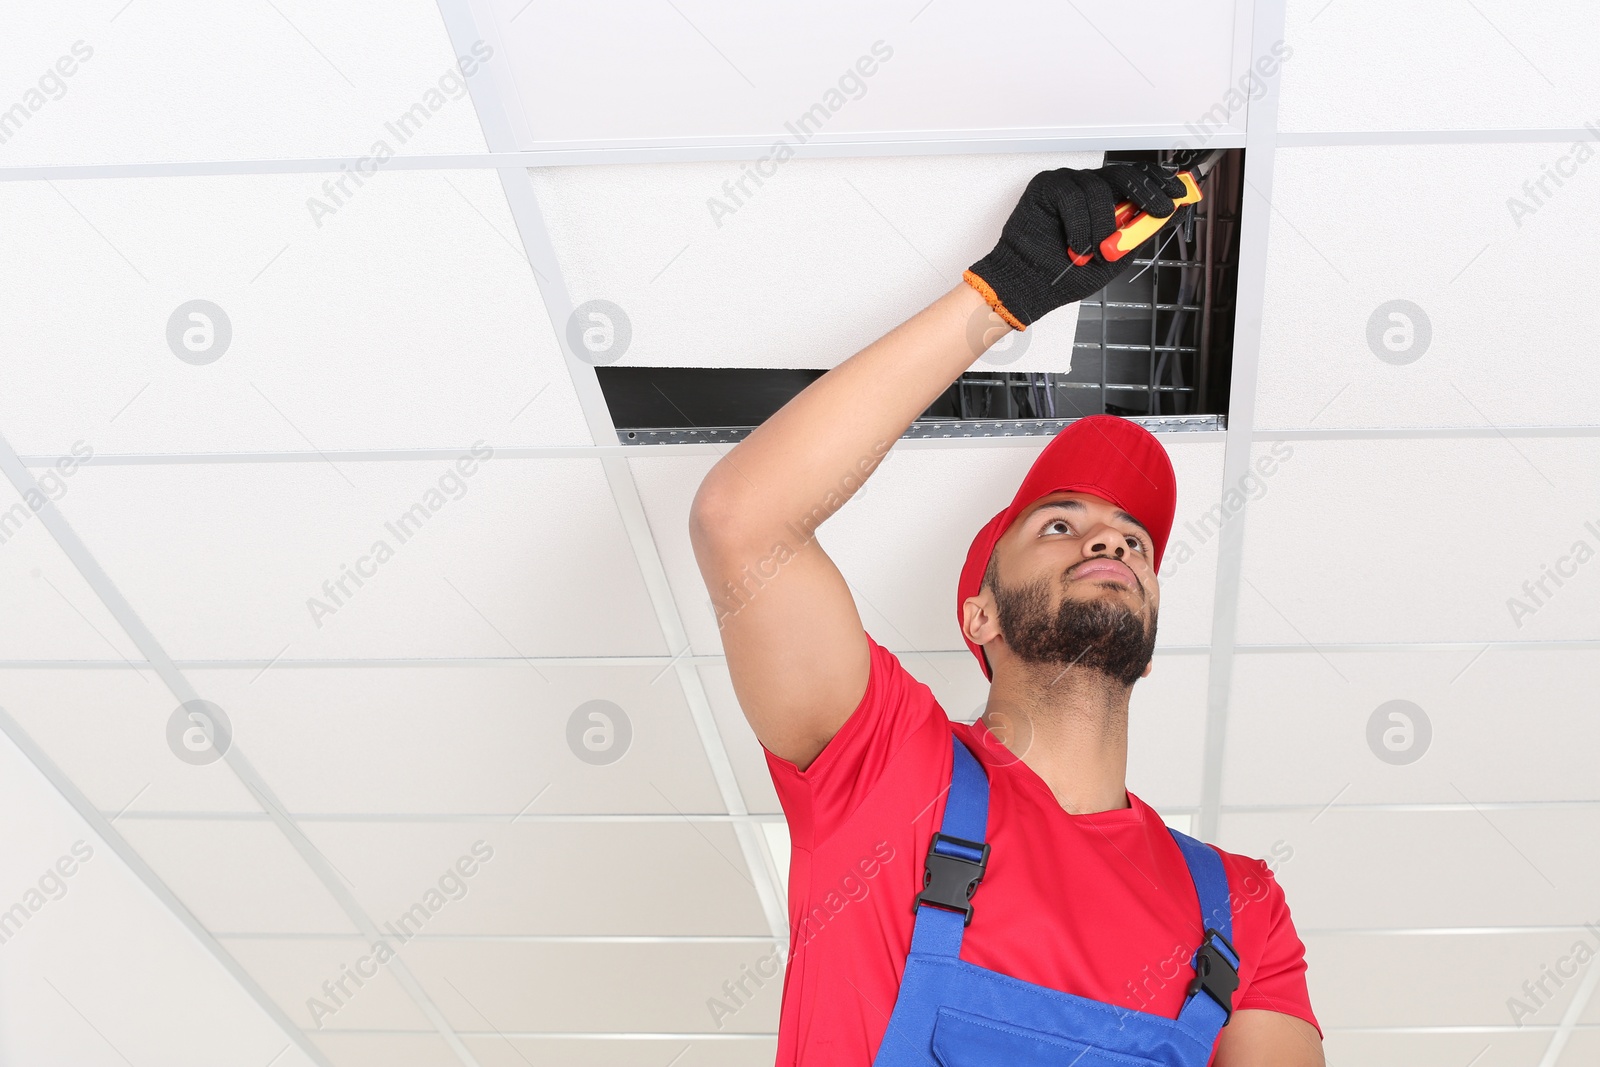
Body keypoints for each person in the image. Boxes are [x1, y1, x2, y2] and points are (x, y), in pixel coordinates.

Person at [689, 161, 1323, 1066]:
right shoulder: (887, 767)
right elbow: (742, 521)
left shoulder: (1238, 906)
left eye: (1132, 540)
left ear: (1147, 639)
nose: (1109, 541)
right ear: (977, 616)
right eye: (1060, 524)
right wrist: (1004, 294)